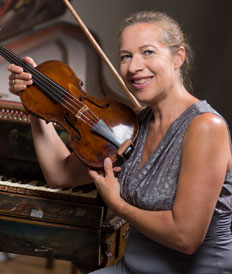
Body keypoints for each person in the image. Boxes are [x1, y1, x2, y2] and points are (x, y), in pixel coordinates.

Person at [8, 10, 232, 274]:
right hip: (132, 268)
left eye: (148, 52)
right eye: (126, 56)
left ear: (178, 57)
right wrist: (35, 102)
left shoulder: (205, 127)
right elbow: (60, 174)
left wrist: (118, 205)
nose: (134, 67)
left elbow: (186, 238)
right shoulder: (132, 124)